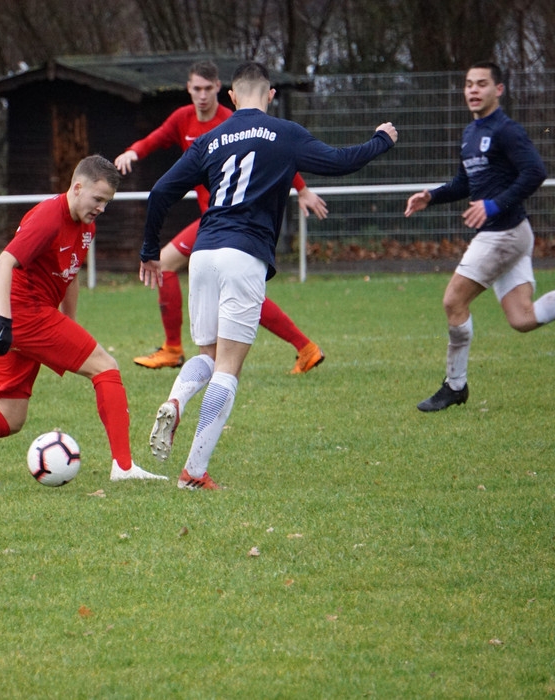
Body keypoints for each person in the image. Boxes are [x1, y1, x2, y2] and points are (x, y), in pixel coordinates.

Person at [140, 61, 397, 489]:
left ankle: (176, 400)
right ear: (271, 95)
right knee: (228, 368)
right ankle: (193, 472)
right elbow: (340, 162)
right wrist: (381, 140)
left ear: (231, 97)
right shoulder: (285, 133)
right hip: (244, 255)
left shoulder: (210, 138)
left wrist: (151, 251)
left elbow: (161, 192)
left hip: (203, 253)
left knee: (207, 355)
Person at [0, 155, 167, 485]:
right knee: (106, 366)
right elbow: (2, 264)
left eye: (107, 202)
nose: (101, 208)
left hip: (19, 316)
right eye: (98, 199)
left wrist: (70, 323)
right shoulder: (49, 217)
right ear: (77, 187)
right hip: (21, 313)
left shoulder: (86, 226)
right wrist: (5, 321)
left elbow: (70, 275)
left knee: (11, 418)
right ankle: (123, 467)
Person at [114, 60, 330, 374]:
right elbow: (156, 138)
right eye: (196, 89)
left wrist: (302, 188)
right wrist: (133, 152)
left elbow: (273, 152)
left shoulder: (232, 122)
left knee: (204, 277)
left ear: (220, 89)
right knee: (217, 281)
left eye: (207, 88)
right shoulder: (182, 118)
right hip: (212, 223)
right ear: (188, 89)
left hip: (226, 223)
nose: (202, 95)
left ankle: (174, 349)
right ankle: (302, 347)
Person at [405, 61, 555, 412]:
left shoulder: (506, 130)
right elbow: (465, 182)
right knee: (523, 318)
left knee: (453, 301)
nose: (473, 90)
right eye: (469, 84)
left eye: (482, 84)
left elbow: (535, 171)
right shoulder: (470, 133)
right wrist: (432, 196)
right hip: (513, 232)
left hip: (502, 233)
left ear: (498, 90)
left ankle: (455, 385)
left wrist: (494, 205)